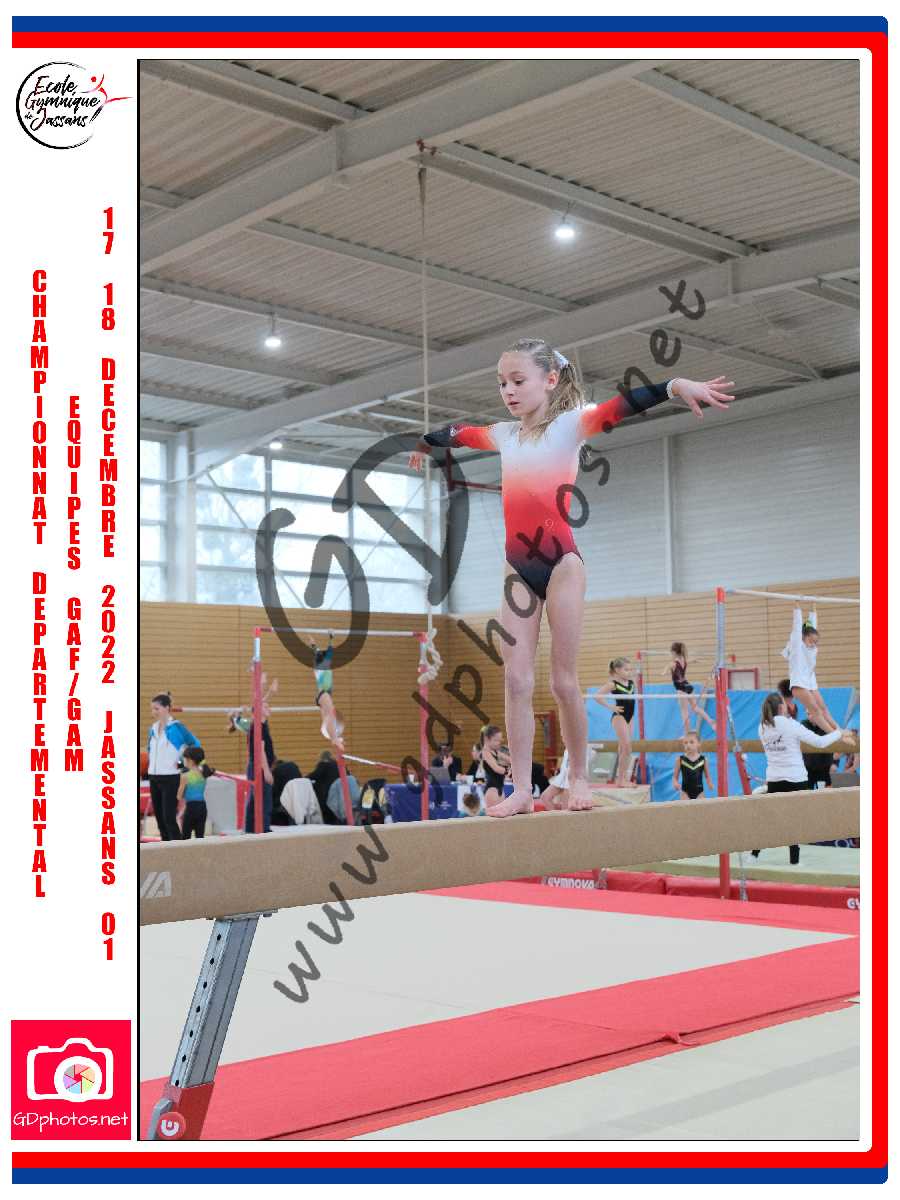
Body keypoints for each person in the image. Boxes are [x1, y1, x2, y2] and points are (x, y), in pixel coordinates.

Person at [411, 339, 732, 816]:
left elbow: (619, 407)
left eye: (518, 381)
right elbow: (461, 433)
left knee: (563, 682)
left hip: (561, 564)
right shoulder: (505, 434)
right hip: (518, 567)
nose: (508, 391)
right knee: (516, 680)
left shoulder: (570, 424)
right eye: (502, 383)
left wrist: (673, 385)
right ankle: (522, 789)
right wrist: (426, 441)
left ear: (550, 380)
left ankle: (579, 777)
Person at [755, 691, 855, 865]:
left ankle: (753, 855)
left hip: (775, 779)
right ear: (781, 707)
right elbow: (820, 743)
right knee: (794, 819)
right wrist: (839, 733)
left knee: (770, 819)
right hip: (795, 778)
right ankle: (794, 861)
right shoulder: (789, 724)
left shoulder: (762, 727)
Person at [147, 693, 200, 841]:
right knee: (160, 819)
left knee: (169, 818)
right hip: (154, 777)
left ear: (167, 708)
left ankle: (177, 848)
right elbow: (151, 751)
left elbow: (195, 745)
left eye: (157, 708)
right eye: (152, 709)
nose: (154, 712)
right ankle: (165, 848)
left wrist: (184, 764)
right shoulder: (153, 728)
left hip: (171, 778)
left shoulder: (177, 727)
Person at [782, 607, 838, 732]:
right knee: (815, 711)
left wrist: (813, 609)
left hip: (810, 682)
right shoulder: (797, 646)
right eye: (811, 641)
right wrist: (797, 608)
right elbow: (797, 628)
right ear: (802, 638)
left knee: (823, 708)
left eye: (815, 642)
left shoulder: (812, 648)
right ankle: (834, 734)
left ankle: (838, 730)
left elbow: (812, 627)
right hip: (799, 683)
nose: (813, 644)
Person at [228, 703, 276, 833]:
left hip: (257, 765)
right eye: (265, 707)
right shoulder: (257, 726)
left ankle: (250, 828)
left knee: (255, 798)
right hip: (259, 766)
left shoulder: (259, 725)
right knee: (263, 799)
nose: (269, 708)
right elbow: (260, 750)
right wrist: (266, 771)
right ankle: (262, 828)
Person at [590, 658, 639, 787]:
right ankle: (621, 780)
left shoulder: (631, 683)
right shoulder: (613, 684)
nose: (629, 672)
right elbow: (597, 696)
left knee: (624, 748)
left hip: (630, 717)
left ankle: (621, 779)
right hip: (619, 717)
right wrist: (611, 707)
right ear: (617, 670)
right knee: (627, 747)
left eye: (630, 669)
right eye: (626, 669)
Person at [667, 642, 716, 736]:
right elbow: (691, 661)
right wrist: (697, 660)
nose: (671, 655)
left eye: (671, 653)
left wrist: (663, 672)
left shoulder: (674, 663)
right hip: (688, 686)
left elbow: (669, 666)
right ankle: (710, 720)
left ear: (674, 652)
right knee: (695, 707)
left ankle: (687, 734)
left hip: (681, 688)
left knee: (684, 712)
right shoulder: (683, 660)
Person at [178, 745, 214, 839]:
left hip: (190, 808)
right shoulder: (204, 773)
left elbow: (179, 796)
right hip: (202, 807)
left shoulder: (185, 776)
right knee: (200, 837)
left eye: (185, 759)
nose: (184, 761)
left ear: (190, 760)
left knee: (185, 837)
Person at [672, 732, 712, 801]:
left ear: (698, 743)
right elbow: (675, 777)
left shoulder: (703, 759)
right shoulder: (680, 759)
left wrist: (709, 783)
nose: (688, 745)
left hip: (699, 792)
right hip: (685, 792)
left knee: (700, 807)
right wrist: (675, 783)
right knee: (686, 807)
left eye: (691, 742)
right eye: (685, 743)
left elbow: (707, 776)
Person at [478, 724, 510, 809]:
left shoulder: (495, 752)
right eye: (496, 740)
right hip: (492, 789)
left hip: (500, 788)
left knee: (503, 815)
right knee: (493, 816)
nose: (499, 743)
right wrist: (509, 772)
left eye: (500, 740)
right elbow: (496, 769)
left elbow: (510, 760)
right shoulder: (485, 752)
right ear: (486, 739)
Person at [307, 750, 342, 824]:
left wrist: (304, 778)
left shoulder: (323, 765)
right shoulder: (339, 765)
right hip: (339, 796)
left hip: (325, 796)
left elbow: (313, 776)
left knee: (327, 819)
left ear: (322, 758)